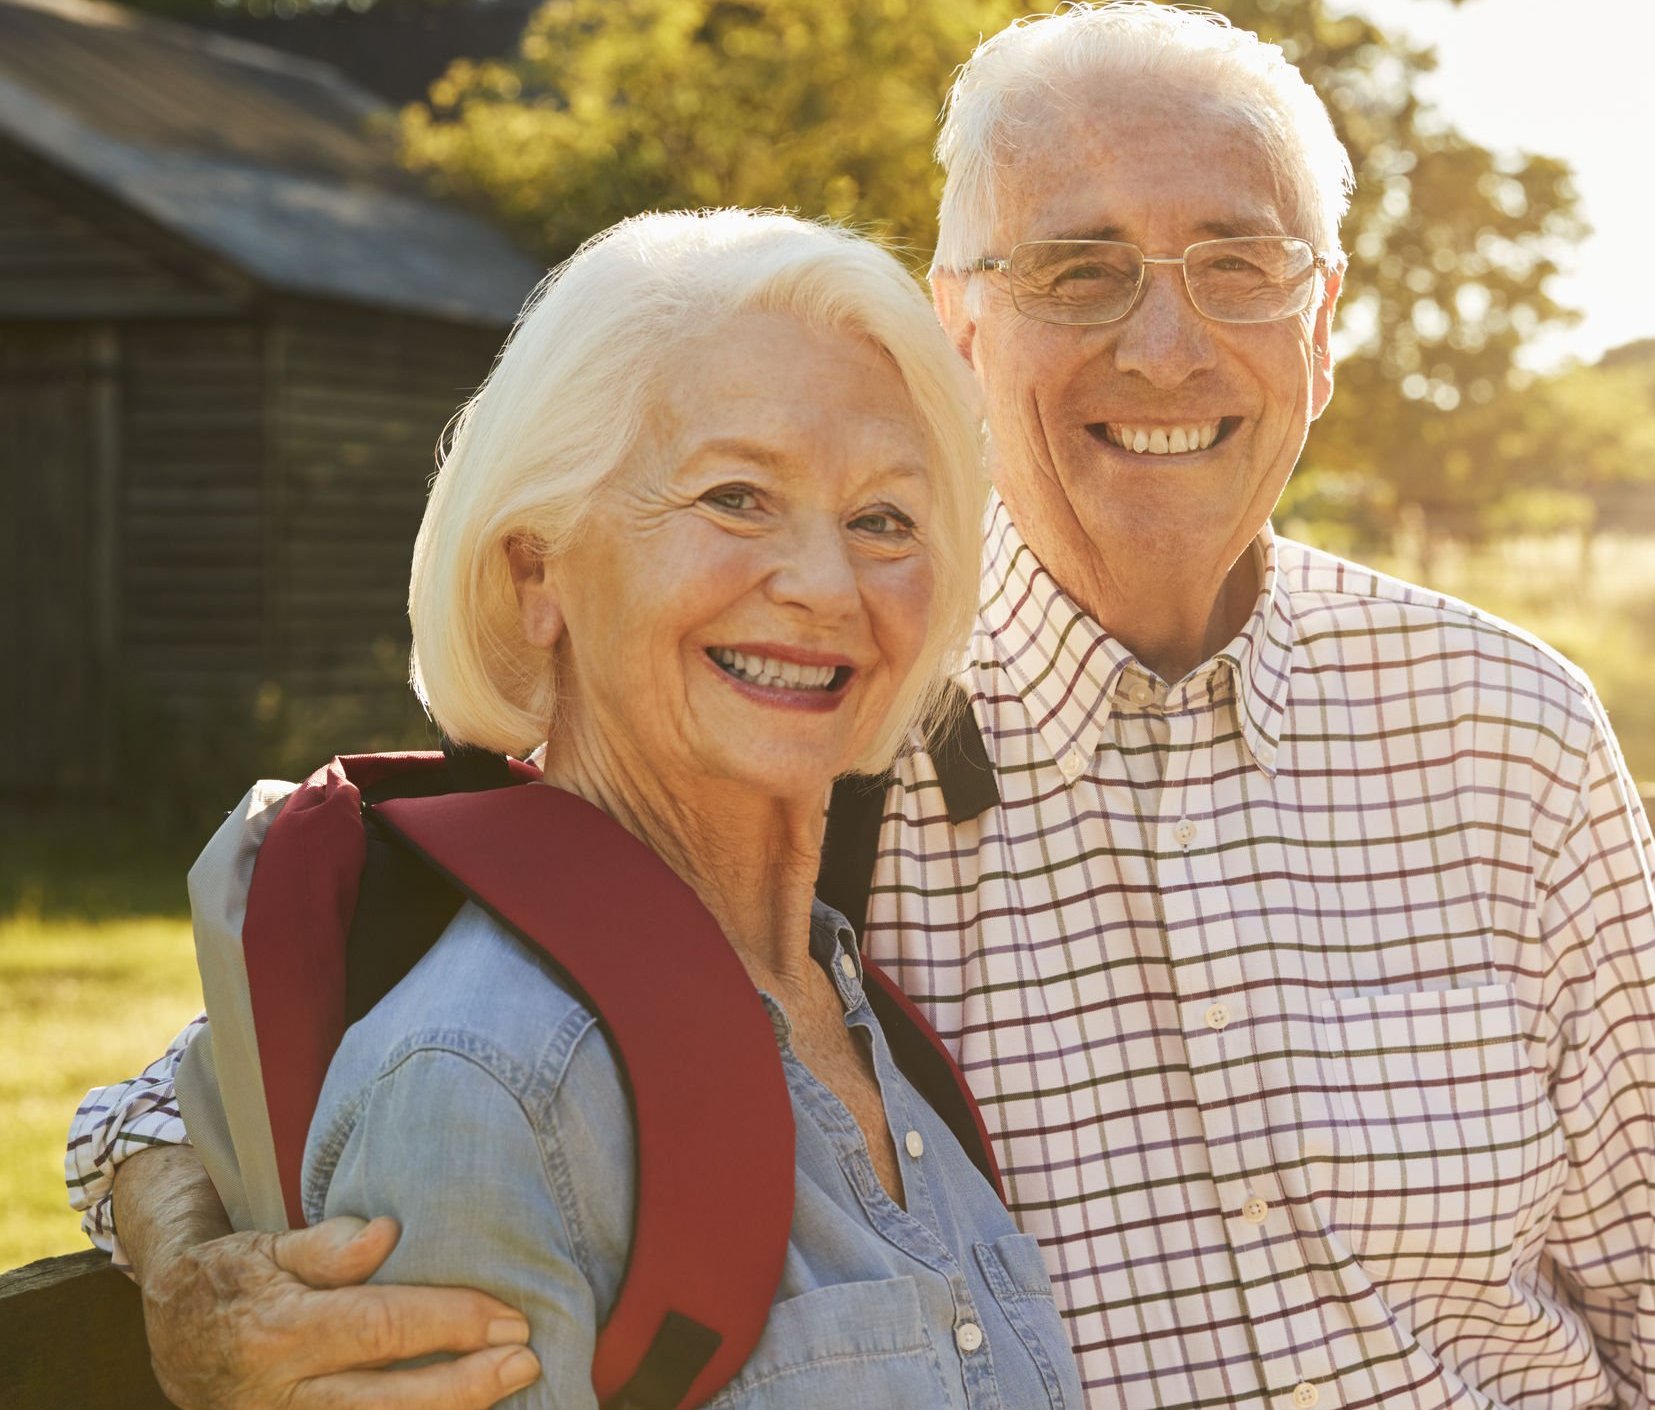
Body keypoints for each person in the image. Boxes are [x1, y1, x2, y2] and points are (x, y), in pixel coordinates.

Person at [70, 6, 1655, 1408]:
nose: (1164, 348)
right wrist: (194, 1276)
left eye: (1235, 264)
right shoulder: (807, 706)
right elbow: (271, 1078)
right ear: (959, 333)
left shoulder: (1506, 728)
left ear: (1324, 323)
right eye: (1078, 269)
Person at [105, 206, 1080, 1409]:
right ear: (536, 573)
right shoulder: (485, 1080)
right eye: (736, 497)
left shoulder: (863, 1024)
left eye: (884, 519)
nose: (828, 586)